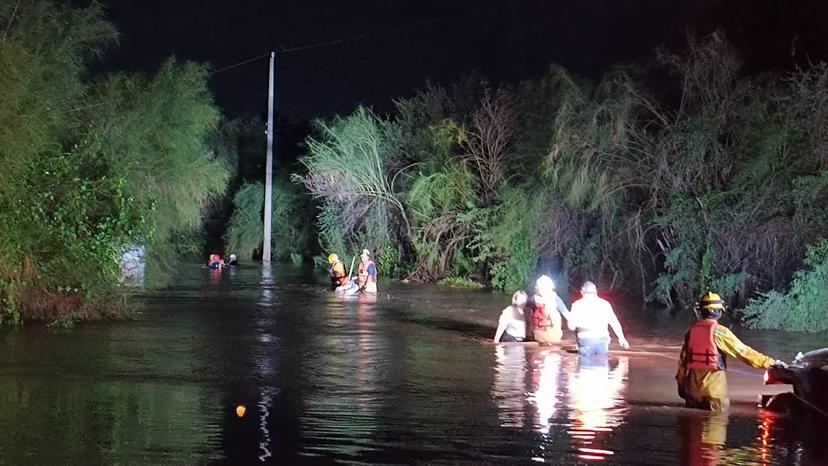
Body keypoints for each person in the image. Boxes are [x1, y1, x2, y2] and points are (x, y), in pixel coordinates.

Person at [676, 291, 787, 412]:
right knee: (714, 427)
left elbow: (682, 364)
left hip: (691, 393)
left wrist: (682, 387)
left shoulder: (690, 332)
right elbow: (743, 352)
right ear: (718, 311)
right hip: (713, 393)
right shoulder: (720, 332)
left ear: (701, 311)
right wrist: (770, 363)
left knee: (692, 428)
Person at [567, 281, 630, 357]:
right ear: (596, 291)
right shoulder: (605, 304)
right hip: (602, 341)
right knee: (602, 364)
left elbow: (571, 327)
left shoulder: (577, 304)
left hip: (585, 341)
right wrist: (621, 338)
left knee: (585, 365)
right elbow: (614, 322)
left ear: (582, 292)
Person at [531, 275, 570, 344]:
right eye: (541, 288)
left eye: (545, 287)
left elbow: (568, 316)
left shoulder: (556, 300)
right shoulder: (533, 300)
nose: (543, 290)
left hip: (554, 337)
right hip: (538, 337)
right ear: (537, 288)